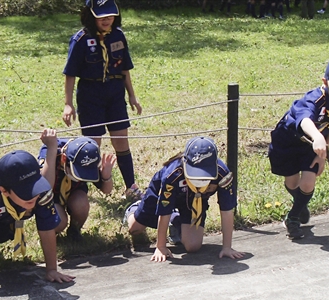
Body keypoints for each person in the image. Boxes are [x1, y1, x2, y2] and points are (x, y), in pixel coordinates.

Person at [0, 149, 75, 294]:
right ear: (4, 191)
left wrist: (52, 270)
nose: (33, 196)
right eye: (26, 193)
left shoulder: (43, 192)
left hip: (5, 201)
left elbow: (47, 230)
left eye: (35, 188)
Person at [268, 53, 329, 240]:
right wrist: (317, 136)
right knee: (292, 182)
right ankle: (300, 203)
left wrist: (322, 152)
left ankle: (293, 217)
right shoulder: (314, 99)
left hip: (310, 147)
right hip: (287, 142)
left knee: (309, 181)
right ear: (325, 82)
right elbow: (304, 120)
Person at [62, 0, 143, 201]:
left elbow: (125, 69)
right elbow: (70, 74)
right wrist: (68, 103)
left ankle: (130, 186)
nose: (107, 20)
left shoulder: (119, 36)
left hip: (115, 93)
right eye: (101, 16)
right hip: (91, 95)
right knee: (92, 145)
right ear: (91, 15)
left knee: (121, 141)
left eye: (110, 15)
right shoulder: (80, 40)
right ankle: (89, 187)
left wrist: (132, 95)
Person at [124, 136, 244, 262]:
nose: (200, 179)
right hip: (162, 194)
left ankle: (175, 221)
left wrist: (227, 247)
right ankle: (136, 205)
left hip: (194, 200)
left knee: (193, 246)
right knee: (135, 229)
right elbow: (164, 211)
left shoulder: (223, 175)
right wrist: (160, 246)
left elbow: (226, 211)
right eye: (196, 173)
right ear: (186, 162)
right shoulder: (172, 176)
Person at [37, 128, 117, 239]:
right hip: (51, 195)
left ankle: (74, 230)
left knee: (81, 204)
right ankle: (50, 234)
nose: (81, 177)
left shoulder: (88, 158)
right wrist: (51, 150)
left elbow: (106, 190)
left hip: (74, 192)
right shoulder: (51, 149)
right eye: (78, 173)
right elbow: (44, 188)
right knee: (60, 221)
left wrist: (106, 176)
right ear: (65, 159)